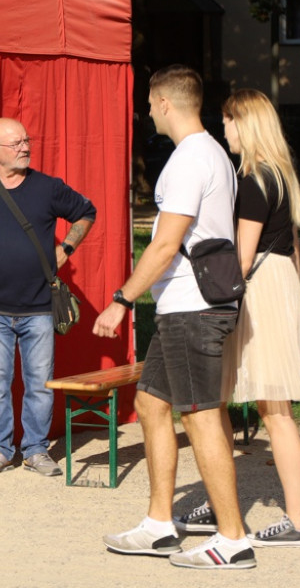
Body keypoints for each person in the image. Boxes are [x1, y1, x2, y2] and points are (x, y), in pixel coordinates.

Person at [94, 65, 255, 569]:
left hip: (193, 306)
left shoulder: (190, 159)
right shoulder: (211, 154)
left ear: (165, 103)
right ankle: (160, 523)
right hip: (184, 306)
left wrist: (121, 300)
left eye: (148, 102)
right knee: (150, 403)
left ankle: (232, 539)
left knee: (201, 414)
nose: (146, 111)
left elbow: (166, 243)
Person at [172, 89, 300, 548]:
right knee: (236, 401)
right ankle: (222, 500)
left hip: (259, 289)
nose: (225, 128)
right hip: (279, 287)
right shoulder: (280, 175)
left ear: (245, 124)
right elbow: (292, 250)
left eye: (229, 121)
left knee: (273, 410)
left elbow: (244, 256)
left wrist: (210, 292)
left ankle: (297, 521)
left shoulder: (253, 181)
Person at [0, 117, 96, 477]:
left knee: (40, 384)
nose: (25, 147)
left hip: (39, 307)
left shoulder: (47, 187)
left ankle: (36, 450)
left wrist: (67, 247)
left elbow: (86, 212)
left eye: (27, 140)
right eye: (16, 143)